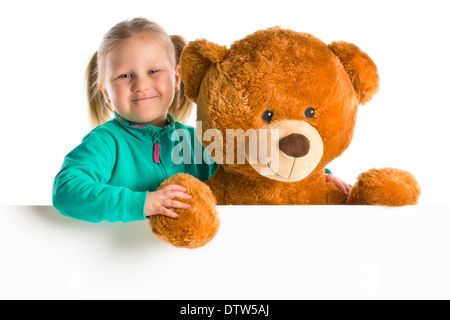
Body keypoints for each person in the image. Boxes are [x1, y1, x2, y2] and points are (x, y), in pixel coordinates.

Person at [53, 17, 351, 224]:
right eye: (125, 76)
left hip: (197, 264)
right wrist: (142, 204)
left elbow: (257, 159)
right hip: (127, 263)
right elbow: (67, 191)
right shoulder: (106, 143)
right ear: (105, 90)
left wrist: (321, 174)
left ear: (177, 77)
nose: (141, 84)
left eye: (154, 71)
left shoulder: (197, 142)